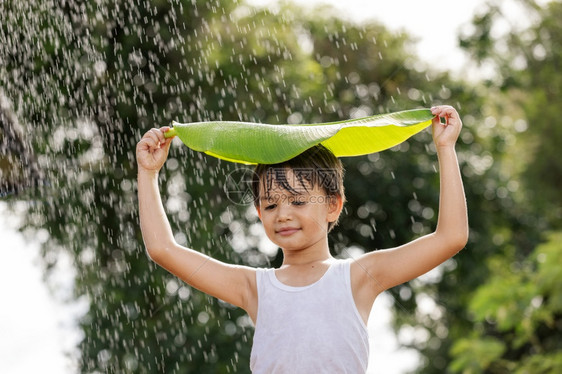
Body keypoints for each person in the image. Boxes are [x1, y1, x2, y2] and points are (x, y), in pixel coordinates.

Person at [136, 105, 468, 373]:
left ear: (333, 206)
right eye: (270, 204)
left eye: (297, 201)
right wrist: (148, 173)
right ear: (258, 212)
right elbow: (162, 249)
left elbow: (450, 237)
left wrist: (445, 148)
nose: (283, 214)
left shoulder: (359, 277)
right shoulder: (254, 288)